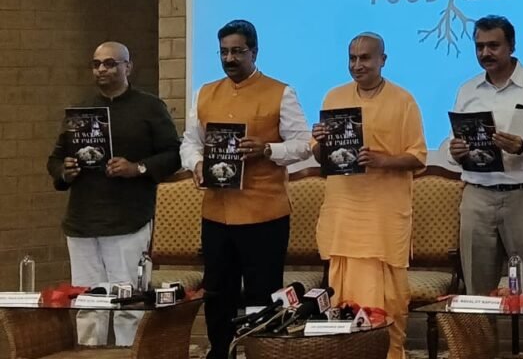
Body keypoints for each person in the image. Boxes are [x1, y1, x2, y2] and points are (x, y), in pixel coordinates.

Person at [180, 20, 312, 359]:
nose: (229, 59)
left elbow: (303, 145)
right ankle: (219, 351)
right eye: (223, 52)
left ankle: (260, 353)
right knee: (218, 293)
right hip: (217, 213)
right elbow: (190, 142)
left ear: (254, 52)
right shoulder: (205, 92)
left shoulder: (280, 92)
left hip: (263, 214)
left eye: (237, 51)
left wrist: (267, 149)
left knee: (262, 294)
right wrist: (196, 163)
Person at [444, 15, 523, 351]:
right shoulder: (467, 90)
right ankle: (478, 354)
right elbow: (453, 141)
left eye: (493, 46)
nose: (486, 53)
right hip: (477, 196)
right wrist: (454, 151)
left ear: (511, 46)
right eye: (480, 46)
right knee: (477, 293)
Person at [46, 42, 181, 346]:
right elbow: (55, 159)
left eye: (110, 63)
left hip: (128, 219)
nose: (102, 70)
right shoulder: (81, 110)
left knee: (128, 302)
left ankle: (128, 352)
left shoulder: (149, 107)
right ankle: (90, 353)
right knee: (87, 302)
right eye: (96, 64)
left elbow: (173, 154)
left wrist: (138, 168)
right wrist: (65, 171)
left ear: (127, 67)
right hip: (82, 220)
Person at [313, 33, 426, 359]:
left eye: (365, 58)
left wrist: (381, 160)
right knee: (342, 294)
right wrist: (320, 141)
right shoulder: (334, 97)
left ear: (382, 60)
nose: (357, 65)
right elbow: (321, 157)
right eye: (352, 58)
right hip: (344, 211)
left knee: (387, 297)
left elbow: (418, 157)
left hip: (383, 215)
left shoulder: (403, 100)